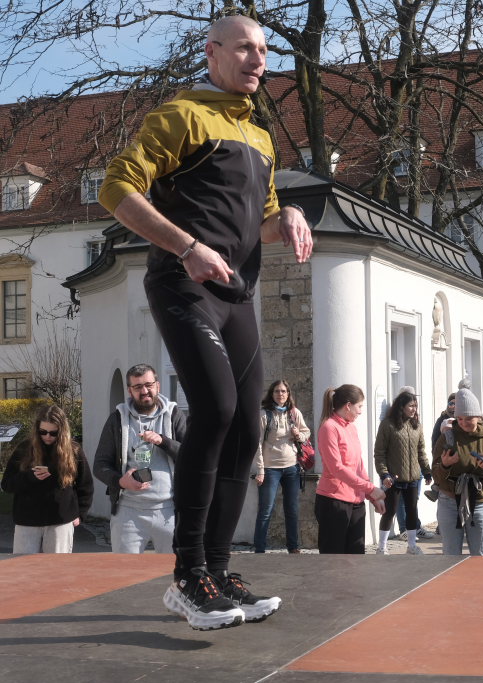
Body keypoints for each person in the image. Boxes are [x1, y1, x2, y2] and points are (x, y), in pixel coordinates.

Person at [99, 15, 312, 630]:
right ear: (212, 52)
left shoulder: (261, 137)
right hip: (182, 284)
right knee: (215, 409)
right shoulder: (182, 116)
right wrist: (187, 246)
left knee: (247, 426)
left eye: (264, 50)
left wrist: (288, 215)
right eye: (244, 48)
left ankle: (219, 570)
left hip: (236, 296)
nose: (258, 59)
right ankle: (188, 575)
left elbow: (258, 222)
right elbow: (115, 188)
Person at [93, 363, 187, 553]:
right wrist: (120, 481)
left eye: (148, 385)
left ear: (157, 386)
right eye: (137, 387)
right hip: (128, 512)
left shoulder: (174, 415)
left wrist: (163, 441)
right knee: (126, 569)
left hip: (168, 510)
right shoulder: (117, 420)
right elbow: (100, 465)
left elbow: (191, 457)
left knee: (173, 568)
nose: (144, 391)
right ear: (130, 391)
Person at [1, 405, 93, 554]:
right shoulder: (24, 449)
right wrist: (30, 477)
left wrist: (81, 514)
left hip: (60, 522)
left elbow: (85, 485)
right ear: (37, 429)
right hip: (27, 522)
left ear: (62, 431)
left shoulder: (73, 451)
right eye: (43, 432)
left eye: (53, 433)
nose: (47, 436)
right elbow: (7, 484)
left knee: (57, 568)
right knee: (24, 567)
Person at [315, 384, 386, 554]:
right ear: (348, 406)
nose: (360, 411)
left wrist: (371, 495)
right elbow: (336, 468)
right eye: (359, 406)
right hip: (334, 501)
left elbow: (358, 465)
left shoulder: (351, 428)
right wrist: (370, 488)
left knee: (356, 556)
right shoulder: (329, 427)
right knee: (333, 558)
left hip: (356, 501)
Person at [431, 382, 483, 556]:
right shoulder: (447, 437)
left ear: (478, 416)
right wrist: (445, 465)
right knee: (451, 556)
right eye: (459, 419)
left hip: (480, 500)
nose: (463, 423)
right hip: (449, 501)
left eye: (468, 418)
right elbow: (436, 475)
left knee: (481, 555)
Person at [252, 380, 311, 554]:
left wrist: (299, 435)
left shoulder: (294, 413)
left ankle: (293, 546)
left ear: (288, 393)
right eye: (277, 391)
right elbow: (257, 444)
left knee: (292, 509)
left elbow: (306, 432)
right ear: (272, 394)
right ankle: (259, 549)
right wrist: (260, 470)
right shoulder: (264, 415)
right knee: (266, 510)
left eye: (284, 391)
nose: (281, 394)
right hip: (270, 468)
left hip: (292, 467)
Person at [374, 390, 432, 555]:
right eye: (410, 406)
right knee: (390, 511)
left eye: (415, 406)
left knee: (412, 510)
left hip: (413, 477)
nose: (414, 409)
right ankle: (382, 547)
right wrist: (384, 474)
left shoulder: (416, 426)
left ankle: (412, 546)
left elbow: (421, 451)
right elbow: (379, 453)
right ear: (401, 406)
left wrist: (426, 471)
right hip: (394, 478)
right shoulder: (387, 425)